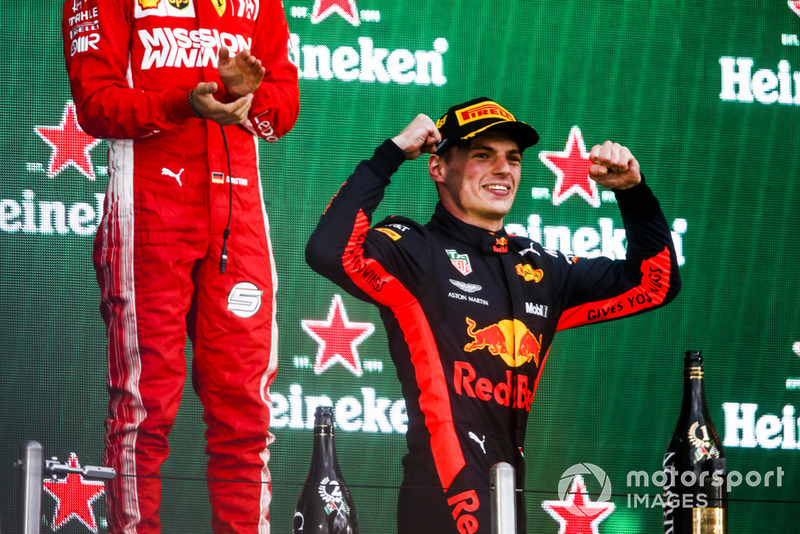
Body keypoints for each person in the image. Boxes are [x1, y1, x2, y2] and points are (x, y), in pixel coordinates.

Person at [305, 97, 681, 533]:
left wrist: (633, 194)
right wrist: (390, 154)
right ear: (439, 168)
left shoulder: (541, 268)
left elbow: (655, 284)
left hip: (509, 497)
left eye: (513, 158)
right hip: (439, 500)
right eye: (482, 156)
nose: (503, 170)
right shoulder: (413, 249)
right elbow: (327, 251)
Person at [62, 0, 299, 532]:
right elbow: (96, 105)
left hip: (238, 220)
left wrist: (245, 94)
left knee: (246, 411)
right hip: (148, 212)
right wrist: (186, 104)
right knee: (145, 408)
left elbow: (283, 108)